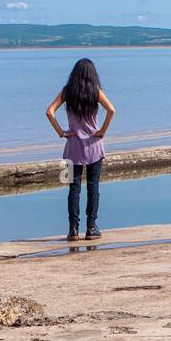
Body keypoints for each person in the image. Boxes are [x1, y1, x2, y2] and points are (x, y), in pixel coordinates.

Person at [46, 59, 115, 241]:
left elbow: (49, 112)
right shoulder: (96, 91)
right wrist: (102, 131)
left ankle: (73, 230)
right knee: (94, 187)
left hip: (71, 149)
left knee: (72, 188)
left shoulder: (68, 91)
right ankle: (91, 227)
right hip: (95, 147)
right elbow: (112, 110)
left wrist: (61, 132)